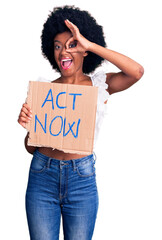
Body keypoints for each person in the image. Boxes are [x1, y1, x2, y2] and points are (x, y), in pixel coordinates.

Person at [18, 5, 144, 240]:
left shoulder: (98, 86)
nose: (63, 52)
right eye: (57, 46)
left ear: (84, 50)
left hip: (81, 179)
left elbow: (136, 72)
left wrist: (89, 44)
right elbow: (30, 147)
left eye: (71, 45)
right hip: (42, 175)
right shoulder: (44, 91)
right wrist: (28, 126)